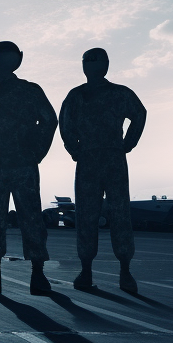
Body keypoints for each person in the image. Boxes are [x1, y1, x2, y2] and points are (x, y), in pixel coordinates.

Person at [0, 40, 57, 295]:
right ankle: (19, 274)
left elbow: (49, 120)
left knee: (21, 219)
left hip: (13, 165)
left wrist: (36, 152)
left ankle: (28, 274)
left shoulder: (25, 90)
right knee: (6, 220)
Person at [59, 47, 147, 294]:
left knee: (120, 214)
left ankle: (125, 270)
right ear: (84, 66)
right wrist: (75, 149)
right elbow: (64, 123)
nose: (94, 66)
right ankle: (86, 269)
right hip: (88, 160)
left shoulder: (120, 93)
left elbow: (139, 115)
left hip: (112, 158)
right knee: (86, 215)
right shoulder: (76, 96)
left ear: (107, 64)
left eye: (99, 61)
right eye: (89, 61)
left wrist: (127, 144)